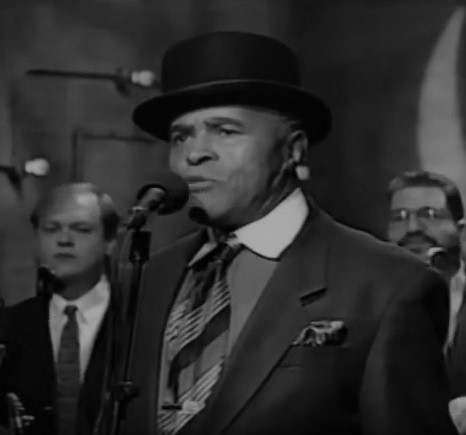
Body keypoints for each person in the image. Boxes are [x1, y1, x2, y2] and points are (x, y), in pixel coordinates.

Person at [122, 32, 456, 435]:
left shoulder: (388, 286)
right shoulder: (146, 281)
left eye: (225, 131)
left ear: (293, 149)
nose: (195, 153)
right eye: (181, 136)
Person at [0, 183, 120, 435]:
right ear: (36, 239)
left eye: (81, 229)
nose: (64, 240)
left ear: (110, 241)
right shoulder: (9, 326)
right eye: (51, 229)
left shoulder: (140, 318)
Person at [386, 170, 465, 346]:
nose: (412, 228)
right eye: (399, 217)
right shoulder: (366, 300)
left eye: (429, 215)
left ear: (460, 230)